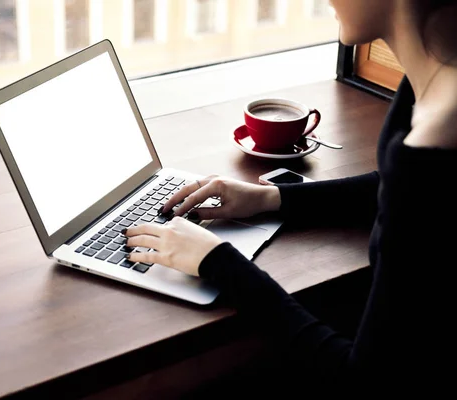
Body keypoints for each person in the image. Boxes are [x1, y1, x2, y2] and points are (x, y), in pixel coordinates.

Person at [124, 0, 457, 386]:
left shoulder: (440, 132)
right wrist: (271, 198)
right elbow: (401, 190)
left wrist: (217, 261)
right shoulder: (435, 78)